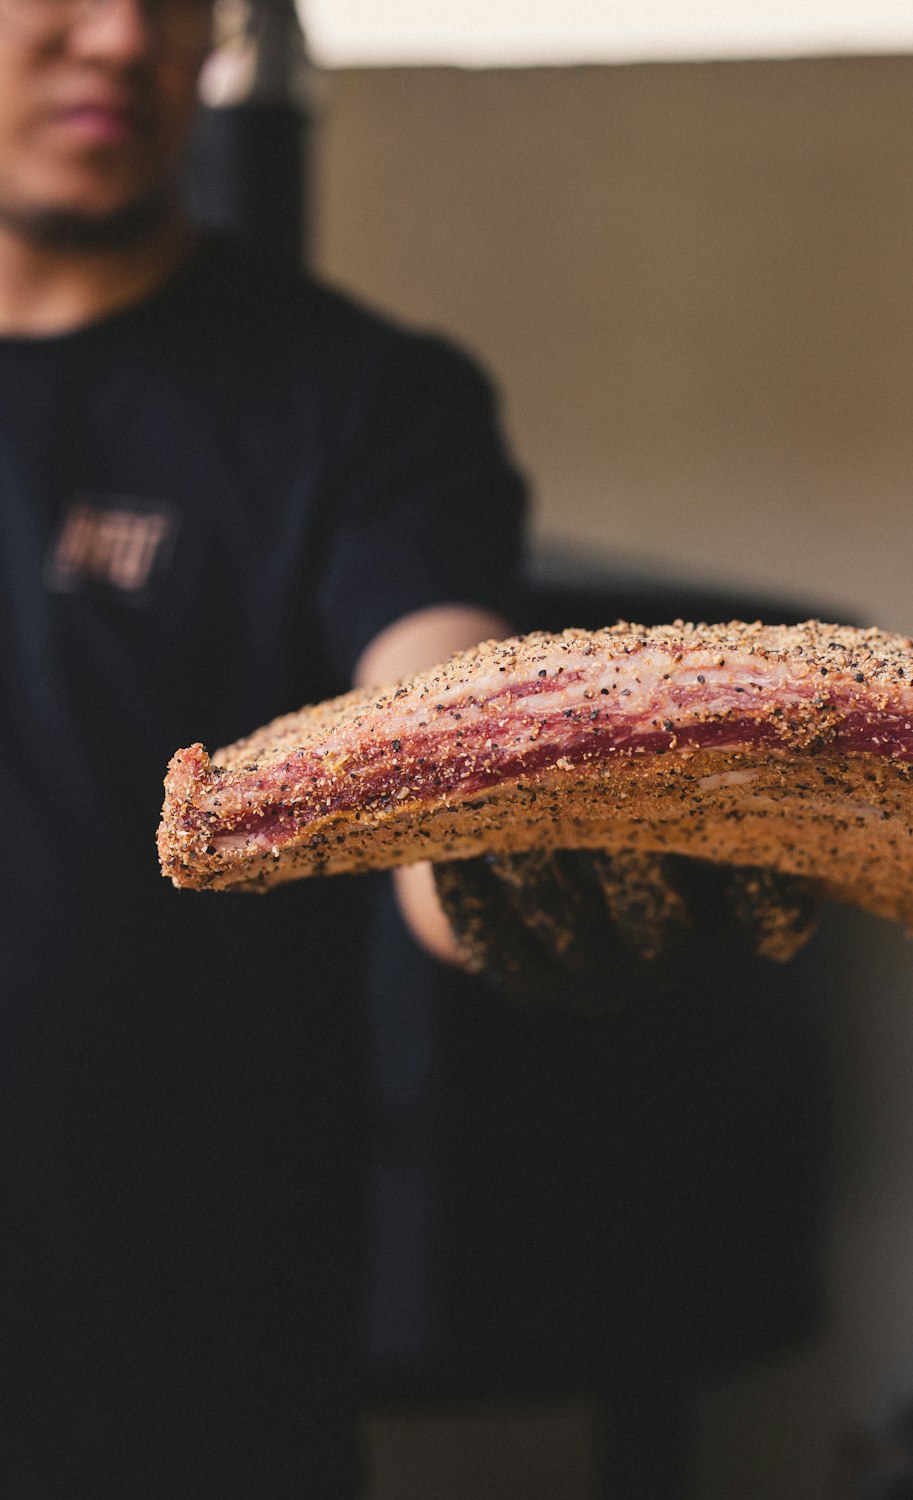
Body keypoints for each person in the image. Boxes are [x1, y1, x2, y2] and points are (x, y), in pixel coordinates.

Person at [0, 0, 526, 1491]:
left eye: (176, 5)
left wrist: (504, 845)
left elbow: (439, 703)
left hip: (179, 1355)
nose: (119, 39)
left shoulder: (362, 401)